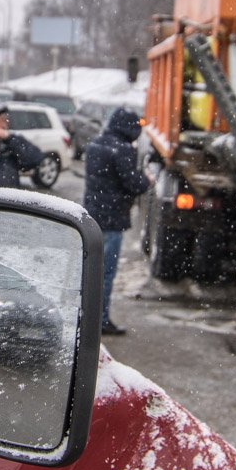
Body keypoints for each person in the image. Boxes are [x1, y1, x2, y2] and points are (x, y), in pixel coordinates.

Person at [82, 107, 151, 336]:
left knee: (89, 271)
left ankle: (84, 318)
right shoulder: (122, 150)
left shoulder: (96, 145)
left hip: (92, 217)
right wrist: (147, 179)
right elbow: (134, 183)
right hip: (112, 220)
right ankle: (100, 321)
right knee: (105, 273)